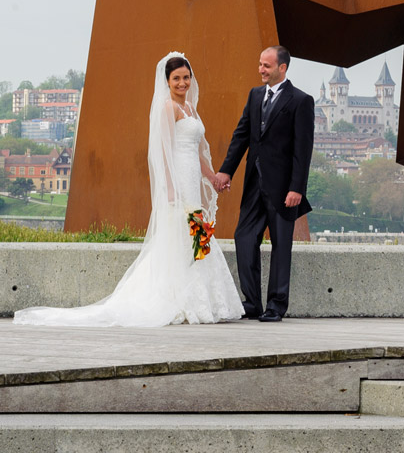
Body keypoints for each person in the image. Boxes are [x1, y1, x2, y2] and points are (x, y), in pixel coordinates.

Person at [14, 53, 244, 327]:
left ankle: (205, 299)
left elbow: (197, 152)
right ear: (167, 82)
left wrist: (213, 177)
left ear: (191, 78)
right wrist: (170, 188)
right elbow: (162, 151)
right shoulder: (168, 109)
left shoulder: (191, 110)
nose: (182, 83)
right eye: (176, 79)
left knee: (197, 235)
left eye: (185, 77)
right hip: (178, 182)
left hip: (192, 179)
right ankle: (182, 298)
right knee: (183, 235)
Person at [216, 46, 315, 322]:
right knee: (244, 238)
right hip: (253, 185)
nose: (261, 70)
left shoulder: (301, 101)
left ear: (282, 68)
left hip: (284, 190)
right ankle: (252, 303)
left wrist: (297, 188)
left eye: (267, 66)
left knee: (281, 245)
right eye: (260, 64)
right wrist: (227, 171)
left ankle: (276, 305)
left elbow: (302, 150)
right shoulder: (255, 95)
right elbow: (242, 135)